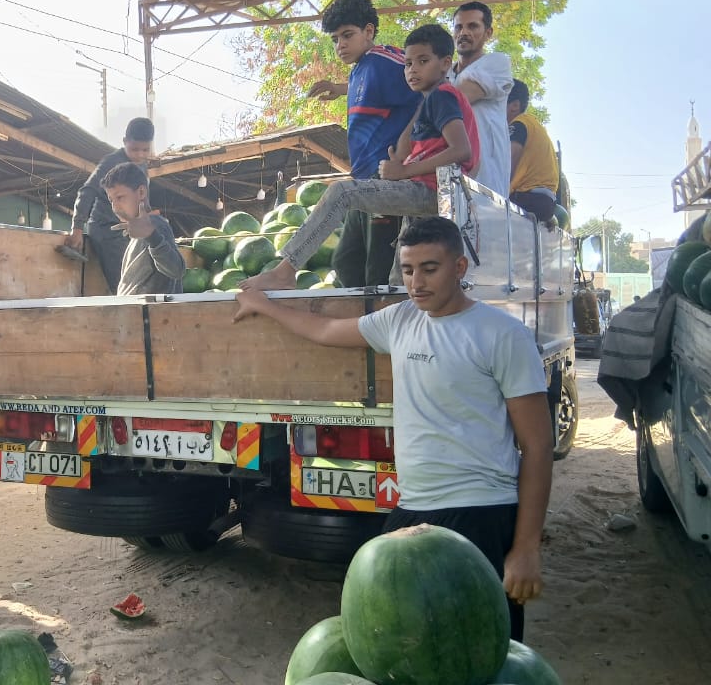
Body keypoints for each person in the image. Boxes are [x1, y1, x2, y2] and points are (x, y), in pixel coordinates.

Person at [233, 216, 553, 642]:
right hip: (413, 509)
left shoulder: (503, 336)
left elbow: (537, 446)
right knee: (403, 639)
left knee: (482, 648)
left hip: (482, 511)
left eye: (429, 268)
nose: (416, 282)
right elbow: (327, 330)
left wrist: (526, 547)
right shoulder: (400, 320)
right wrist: (266, 305)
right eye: (407, 270)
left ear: (459, 268)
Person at [241, 23, 479, 291]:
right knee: (402, 279)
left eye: (422, 62)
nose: (412, 70)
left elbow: (462, 150)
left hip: (432, 191)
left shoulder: (442, 97)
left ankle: (285, 270)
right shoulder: (430, 100)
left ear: (446, 63)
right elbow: (406, 145)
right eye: (408, 63)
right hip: (430, 195)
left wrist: (403, 172)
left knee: (342, 193)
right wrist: (401, 158)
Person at [305, 0, 422, 287]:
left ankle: (380, 330)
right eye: (334, 39)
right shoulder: (361, 68)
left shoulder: (387, 60)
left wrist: (406, 149)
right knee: (345, 263)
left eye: (347, 35)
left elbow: (430, 90)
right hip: (362, 182)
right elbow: (372, 87)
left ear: (369, 31)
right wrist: (337, 86)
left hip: (386, 182)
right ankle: (356, 330)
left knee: (378, 272)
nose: (340, 45)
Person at [66, 117, 155, 292]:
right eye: (134, 149)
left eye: (145, 150)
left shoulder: (143, 167)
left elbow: (143, 202)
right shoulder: (111, 162)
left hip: (130, 233)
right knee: (126, 286)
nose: (140, 155)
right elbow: (88, 191)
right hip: (107, 230)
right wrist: (77, 228)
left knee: (145, 279)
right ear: (124, 142)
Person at [448, 1, 514, 198]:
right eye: (459, 27)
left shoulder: (497, 63)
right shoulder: (445, 74)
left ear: (488, 33)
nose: (464, 32)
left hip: (487, 185)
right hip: (447, 179)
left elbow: (453, 101)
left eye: (473, 26)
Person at [101, 162, 185, 295]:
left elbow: (177, 270)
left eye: (120, 197)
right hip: (134, 314)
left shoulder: (156, 225)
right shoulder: (140, 232)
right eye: (111, 200)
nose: (115, 207)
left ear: (141, 192)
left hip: (151, 315)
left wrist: (152, 236)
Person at [506, 79, 559, 223]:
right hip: (547, 202)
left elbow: (508, 164)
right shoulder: (534, 124)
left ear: (515, 105)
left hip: (528, 198)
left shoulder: (519, 124)